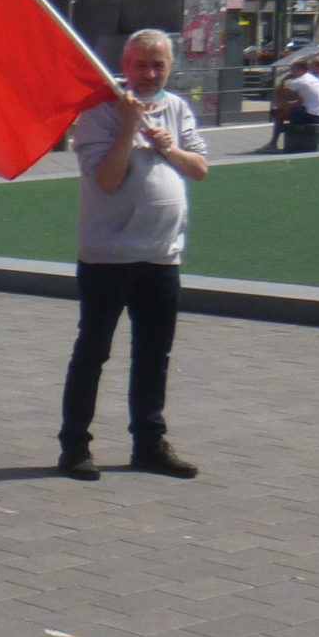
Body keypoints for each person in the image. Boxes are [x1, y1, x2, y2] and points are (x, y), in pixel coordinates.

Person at [59, 29, 210, 481]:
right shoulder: (97, 113)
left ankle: (149, 443)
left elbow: (199, 169)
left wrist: (171, 149)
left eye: (157, 65)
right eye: (140, 64)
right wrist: (129, 124)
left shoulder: (177, 107)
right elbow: (106, 180)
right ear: (124, 66)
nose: (149, 73)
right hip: (109, 257)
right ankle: (74, 447)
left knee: (153, 355)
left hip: (162, 255)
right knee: (93, 352)